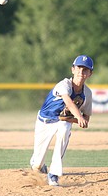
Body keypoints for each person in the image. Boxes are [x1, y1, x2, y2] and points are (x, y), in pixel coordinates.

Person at [29, 55, 94, 186]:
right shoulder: (64, 84)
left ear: (90, 74)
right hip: (44, 121)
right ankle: (39, 164)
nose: (81, 72)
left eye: (85, 69)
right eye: (79, 68)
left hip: (61, 122)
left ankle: (54, 174)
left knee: (65, 127)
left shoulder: (87, 93)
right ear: (73, 69)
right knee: (37, 165)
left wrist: (75, 120)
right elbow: (69, 103)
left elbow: (86, 119)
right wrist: (78, 117)